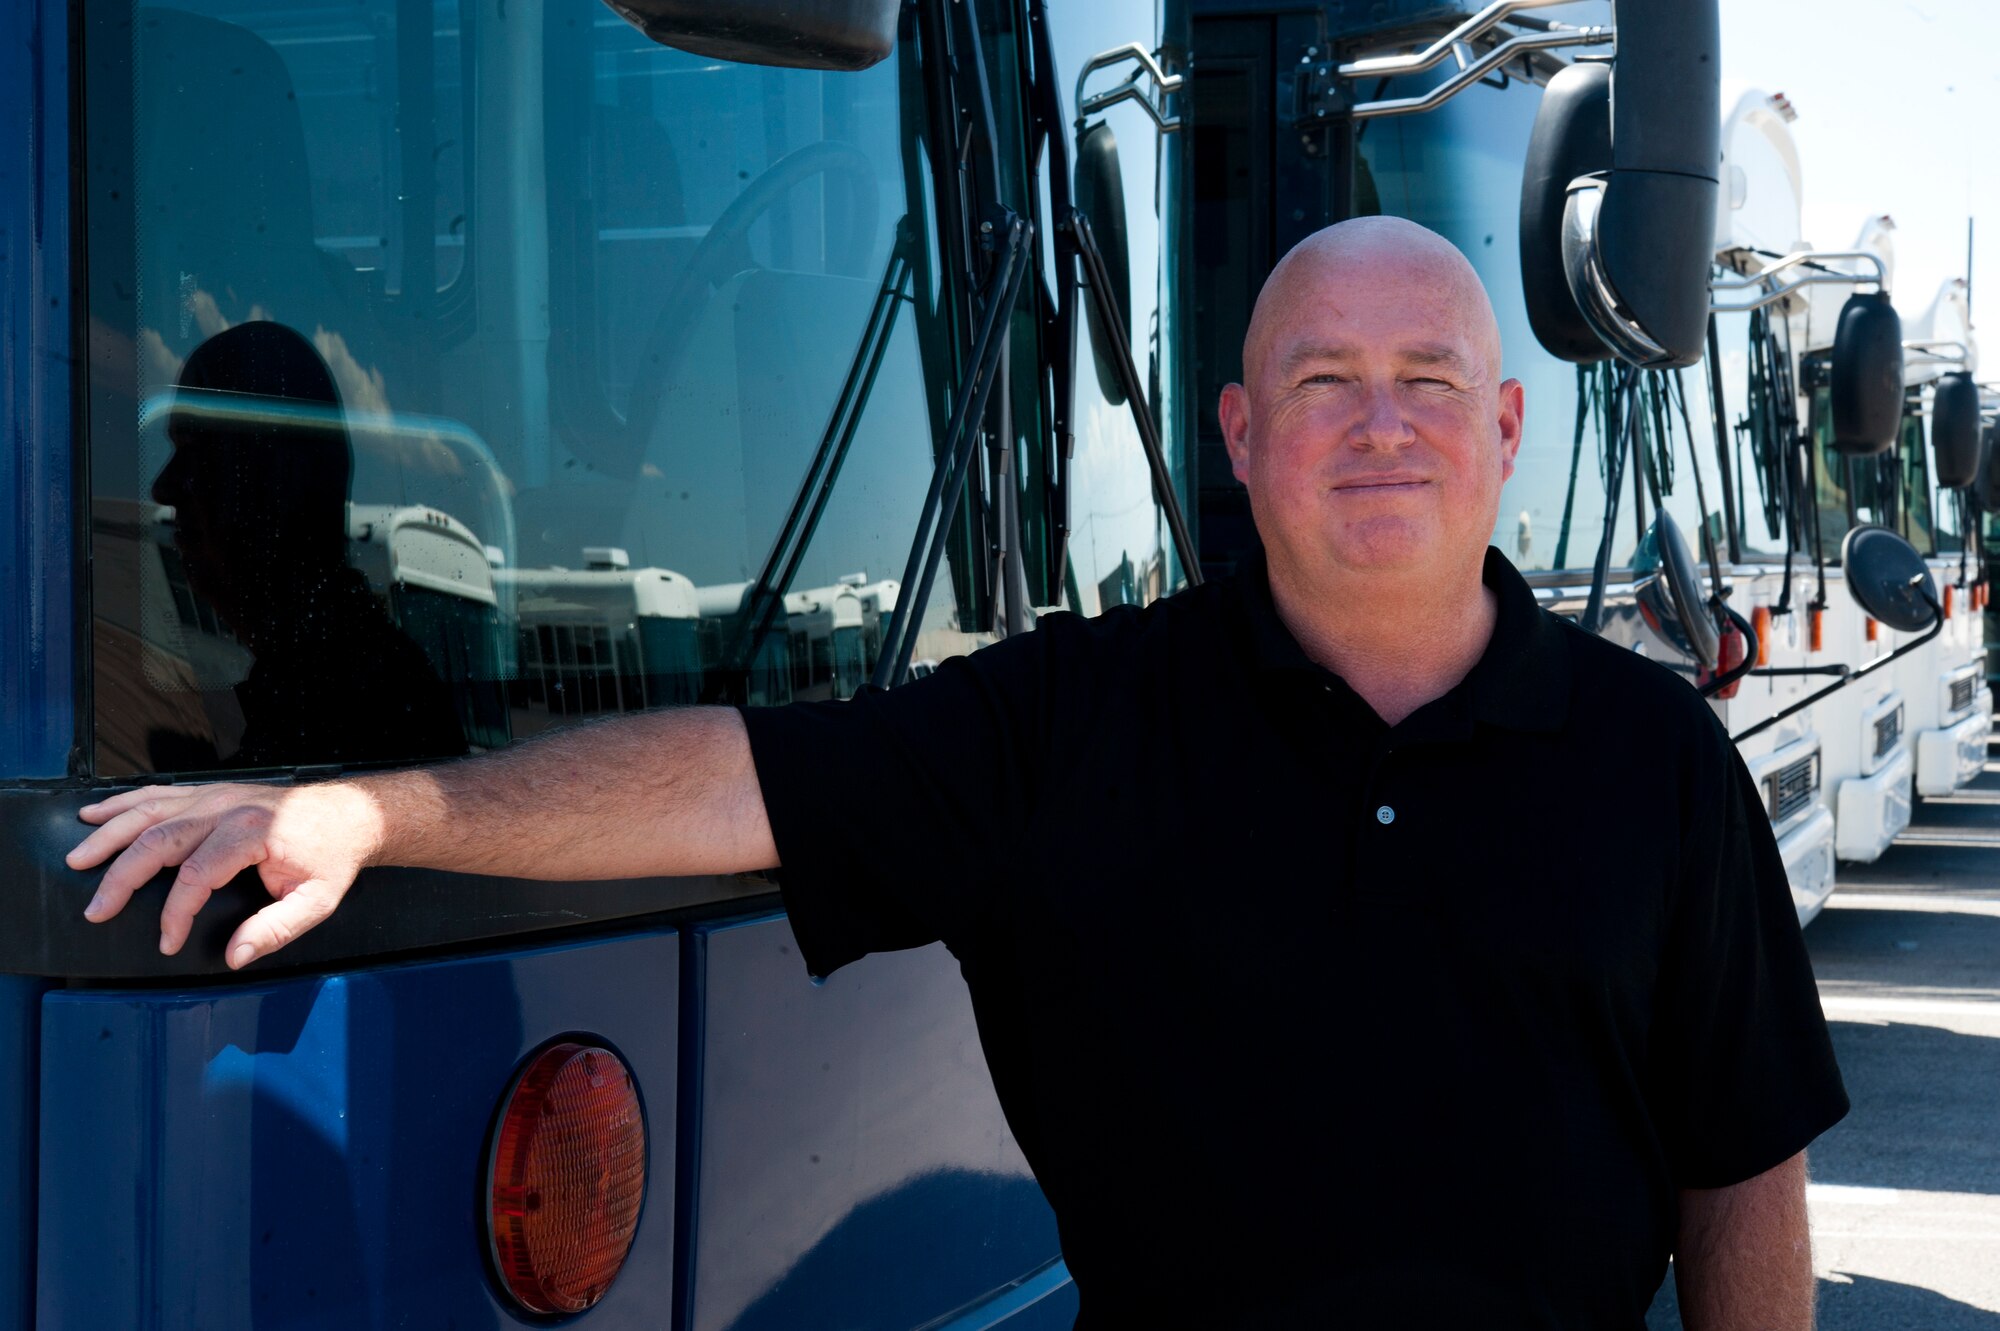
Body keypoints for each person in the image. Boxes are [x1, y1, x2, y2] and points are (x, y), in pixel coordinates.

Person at [69, 218, 1846, 1328]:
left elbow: (1744, 1172)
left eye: (1428, 381)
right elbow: (729, 779)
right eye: (1322, 381)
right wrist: (374, 810)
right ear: (1238, 437)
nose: (1382, 424)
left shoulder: (1654, 763)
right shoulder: (1073, 724)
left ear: (1507, 426)